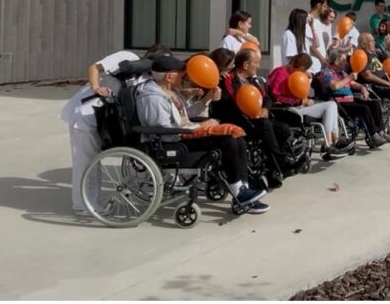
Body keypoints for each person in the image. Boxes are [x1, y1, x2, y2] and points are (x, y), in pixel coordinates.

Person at [137, 55, 268, 213]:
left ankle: (243, 190)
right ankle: (238, 192)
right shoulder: (153, 98)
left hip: (184, 133)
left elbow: (187, 114)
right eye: (181, 73)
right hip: (172, 143)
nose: (185, 76)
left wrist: (207, 99)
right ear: (170, 76)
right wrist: (201, 126)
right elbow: (164, 130)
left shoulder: (170, 91)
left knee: (238, 137)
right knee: (228, 141)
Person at [61, 48, 149, 215]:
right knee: (86, 162)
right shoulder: (127, 58)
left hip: (103, 119)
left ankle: (90, 202)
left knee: (95, 162)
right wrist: (96, 87)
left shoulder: (144, 78)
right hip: (85, 113)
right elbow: (95, 67)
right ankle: (82, 204)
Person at [217, 49, 296, 187]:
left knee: (283, 129)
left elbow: (267, 98)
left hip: (255, 120)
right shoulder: (228, 80)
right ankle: (280, 163)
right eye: (256, 63)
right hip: (239, 120)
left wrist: (265, 108)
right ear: (246, 65)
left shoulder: (254, 81)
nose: (258, 66)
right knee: (265, 125)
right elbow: (229, 102)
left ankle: (270, 171)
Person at [266, 52, 346, 157]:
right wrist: (299, 101)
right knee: (330, 105)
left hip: (299, 106)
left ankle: (335, 141)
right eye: (298, 69)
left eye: (302, 71)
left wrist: (305, 98)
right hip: (288, 109)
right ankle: (329, 146)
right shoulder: (280, 72)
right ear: (293, 63)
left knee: (332, 105)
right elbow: (275, 96)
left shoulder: (297, 74)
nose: (298, 72)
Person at [318, 48, 390, 149]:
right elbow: (334, 86)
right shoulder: (326, 73)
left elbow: (353, 84)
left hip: (350, 99)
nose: (346, 63)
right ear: (336, 61)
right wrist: (349, 78)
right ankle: (373, 135)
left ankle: (381, 132)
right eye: (344, 60)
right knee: (364, 108)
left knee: (375, 103)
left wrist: (362, 88)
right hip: (339, 103)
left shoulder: (342, 73)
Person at [304, 0, 331, 75]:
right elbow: (311, 45)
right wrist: (322, 59)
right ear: (319, 5)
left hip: (321, 66)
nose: (326, 9)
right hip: (313, 66)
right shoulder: (307, 20)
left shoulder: (318, 22)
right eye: (325, 6)